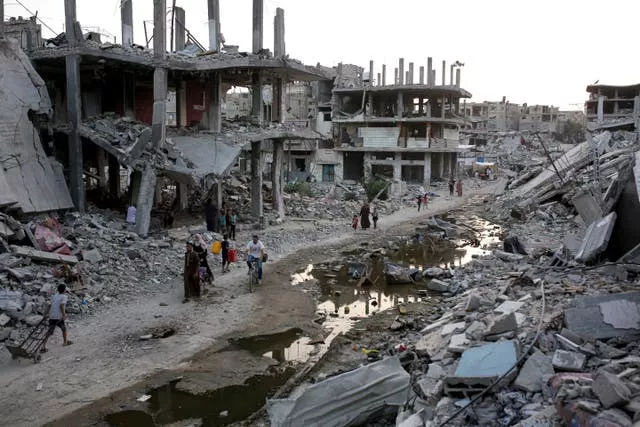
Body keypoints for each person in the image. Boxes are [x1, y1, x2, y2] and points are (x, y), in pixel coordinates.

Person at [41, 284, 72, 352]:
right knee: (63, 328)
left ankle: (43, 345)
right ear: (64, 290)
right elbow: (62, 306)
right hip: (58, 316)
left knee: (50, 331)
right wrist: (64, 315)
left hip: (52, 316)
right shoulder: (64, 296)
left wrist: (46, 314)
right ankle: (65, 342)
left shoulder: (55, 296)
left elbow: (51, 305)